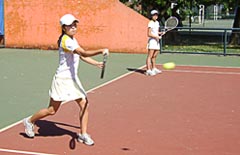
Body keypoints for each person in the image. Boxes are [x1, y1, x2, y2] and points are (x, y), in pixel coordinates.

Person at [23, 14, 109, 146]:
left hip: (73, 79)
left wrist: (95, 63)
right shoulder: (66, 41)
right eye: (70, 25)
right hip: (62, 80)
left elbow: (81, 56)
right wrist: (101, 50)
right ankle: (29, 121)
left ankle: (83, 134)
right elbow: (84, 52)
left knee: (84, 104)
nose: (73, 27)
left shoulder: (73, 40)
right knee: (52, 110)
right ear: (64, 28)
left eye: (75, 24)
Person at [146, 10, 165, 76]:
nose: (155, 16)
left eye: (156, 15)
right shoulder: (150, 23)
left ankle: (154, 68)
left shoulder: (157, 23)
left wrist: (160, 33)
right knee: (150, 56)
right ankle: (148, 70)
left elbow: (156, 32)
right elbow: (149, 34)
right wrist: (157, 36)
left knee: (154, 56)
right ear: (151, 16)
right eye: (154, 15)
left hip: (157, 41)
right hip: (152, 41)